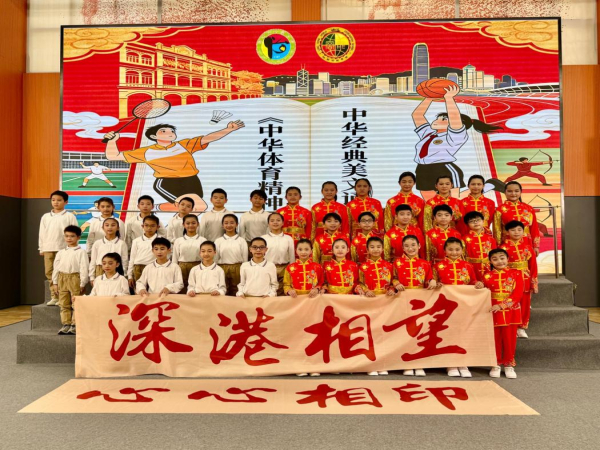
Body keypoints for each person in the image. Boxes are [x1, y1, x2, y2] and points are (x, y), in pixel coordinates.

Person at [104, 120, 245, 212]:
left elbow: (208, 138)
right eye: (164, 131)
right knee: (199, 206)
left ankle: (157, 208)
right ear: (153, 136)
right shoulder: (146, 151)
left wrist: (228, 129)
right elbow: (113, 156)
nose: (170, 133)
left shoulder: (184, 145)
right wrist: (112, 141)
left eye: (172, 131)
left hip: (192, 180)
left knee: (191, 208)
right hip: (167, 182)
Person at [411, 84, 502, 199]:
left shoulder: (455, 136)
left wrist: (449, 98)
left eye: (443, 119)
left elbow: (454, 116)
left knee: (453, 200)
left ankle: (490, 185)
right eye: (438, 118)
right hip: (422, 169)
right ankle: (490, 185)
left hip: (444, 168)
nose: (437, 120)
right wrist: (429, 97)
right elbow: (417, 115)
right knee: (430, 202)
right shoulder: (429, 134)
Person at [433, 237, 483, 378]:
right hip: (445, 306)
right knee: (447, 332)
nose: (454, 252)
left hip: (464, 305)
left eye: (457, 249)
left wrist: (477, 284)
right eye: (450, 249)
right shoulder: (438, 266)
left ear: (462, 250)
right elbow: (432, 283)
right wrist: (436, 285)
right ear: (445, 250)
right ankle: (450, 363)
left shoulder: (468, 266)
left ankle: (463, 362)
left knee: (463, 332)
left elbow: (472, 281)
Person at [392, 235, 435, 377]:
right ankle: (406, 363)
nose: (410, 248)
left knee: (420, 331)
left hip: (420, 302)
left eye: (413, 245)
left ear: (419, 246)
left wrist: (432, 281)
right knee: (404, 331)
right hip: (402, 300)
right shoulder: (397, 263)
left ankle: (419, 362)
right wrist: (396, 283)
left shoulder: (425, 263)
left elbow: (428, 279)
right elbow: (393, 278)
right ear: (402, 248)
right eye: (407, 246)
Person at [481, 248, 523, 379]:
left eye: (502, 258)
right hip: (493, 311)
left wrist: (502, 305)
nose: (499, 261)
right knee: (495, 339)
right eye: (495, 259)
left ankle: (509, 364)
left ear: (507, 259)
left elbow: (518, 293)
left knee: (510, 339)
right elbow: (483, 293)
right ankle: (496, 364)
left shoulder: (516, 274)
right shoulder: (486, 276)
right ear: (490, 261)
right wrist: (479, 286)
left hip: (511, 312)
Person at [500, 220, 539, 339]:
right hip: (510, 280)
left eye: (519, 230)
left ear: (523, 231)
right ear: (507, 232)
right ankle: (511, 326)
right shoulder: (503, 248)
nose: (516, 232)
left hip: (525, 278)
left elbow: (533, 266)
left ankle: (521, 327)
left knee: (525, 304)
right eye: (513, 230)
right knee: (511, 303)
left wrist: (534, 282)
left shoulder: (528, 247)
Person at [39, 190, 78, 306]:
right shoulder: (46, 216)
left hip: (64, 248)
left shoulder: (70, 216)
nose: (56, 202)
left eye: (59, 200)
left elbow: (75, 232)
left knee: (62, 273)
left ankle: (63, 297)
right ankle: (54, 296)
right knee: (49, 272)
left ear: (66, 202)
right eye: (53, 200)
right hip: (48, 248)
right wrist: (41, 248)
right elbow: (42, 233)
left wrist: (72, 247)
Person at [51, 225, 89, 335]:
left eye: (72, 236)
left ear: (78, 237)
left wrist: (82, 283)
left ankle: (74, 325)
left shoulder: (81, 252)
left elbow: (84, 267)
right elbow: (56, 268)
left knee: (76, 303)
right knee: (63, 303)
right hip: (62, 278)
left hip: (75, 278)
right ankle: (66, 324)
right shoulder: (61, 252)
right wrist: (55, 282)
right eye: (67, 236)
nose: (69, 238)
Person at [494, 181, 540, 254]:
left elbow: (534, 228)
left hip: (526, 242)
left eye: (516, 191)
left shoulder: (529, 208)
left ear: (521, 192)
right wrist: (498, 247)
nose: (513, 194)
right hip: (507, 243)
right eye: (510, 191)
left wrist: (536, 246)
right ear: (505, 192)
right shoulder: (500, 209)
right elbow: (497, 230)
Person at [262, 213, 295, 295]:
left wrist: (292, 270)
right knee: (268, 291)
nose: (275, 222)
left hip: (284, 268)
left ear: (283, 223)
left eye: (278, 220)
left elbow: (292, 256)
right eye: (272, 220)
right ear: (268, 223)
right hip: (268, 267)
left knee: (283, 291)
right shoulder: (263, 238)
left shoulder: (288, 238)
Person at [215, 214, 248, 296]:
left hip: (238, 268)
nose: (229, 225)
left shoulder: (241, 241)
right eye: (226, 223)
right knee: (222, 290)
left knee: (237, 291)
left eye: (232, 223)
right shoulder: (218, 241)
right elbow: (215, 258)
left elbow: (245, 259)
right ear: (222, 225)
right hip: (222, 268)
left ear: (236, 224)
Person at [89, 218, 128, 285]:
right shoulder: (97, 243)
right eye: (107, 225)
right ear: (103, 228)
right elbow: (93, 261)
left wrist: (124, 274)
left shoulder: (121, 243)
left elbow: (124, 260)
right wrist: (91, 277)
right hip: (100, 270)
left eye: (113, 225)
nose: (110, 227)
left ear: (118, 228)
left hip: (116, 270)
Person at [172, 214, 206, 292]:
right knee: (182, 287)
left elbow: (205, 257)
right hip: (182, 267)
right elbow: (175, 257)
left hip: (198, 266)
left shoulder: (203, 240)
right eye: (188, 223)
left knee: (197, 287)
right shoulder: (178, 240)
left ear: (198, 224)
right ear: (183, 225)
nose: (191, 225)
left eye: (193, 223)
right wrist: (174, 270)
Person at [128, 215, 160, 289]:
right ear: (142, 226)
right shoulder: (136, 241)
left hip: (154, 268)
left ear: (158, 227)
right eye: (146, 225)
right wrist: (130, 276)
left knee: (154, 290)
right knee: (139, 291)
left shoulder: (161, 240)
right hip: (138, 268)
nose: (149, 228)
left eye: (152, 226)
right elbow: (132, 258)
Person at [463, 211, 497, 281]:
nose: (475, 222)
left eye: (478, 220)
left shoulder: (490, 238)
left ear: (483, 221)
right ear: (467, 224)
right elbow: (462, 256)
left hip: (488, 267)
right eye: (472, 221)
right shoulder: (464, 239)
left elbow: (494, 255)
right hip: (471, 267)